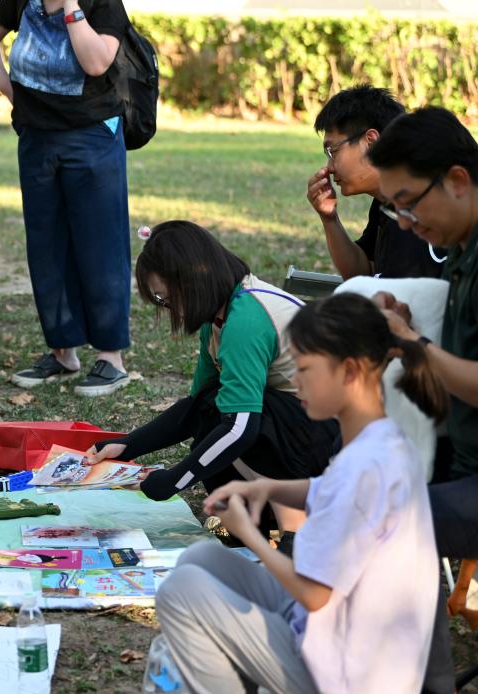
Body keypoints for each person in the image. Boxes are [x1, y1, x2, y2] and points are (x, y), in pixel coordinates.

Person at [155, 292, 444, 694]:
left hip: (347, 676)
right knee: (200, 558)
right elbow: (328, 490)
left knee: (181, 592)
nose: (294, 380)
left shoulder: (366, 466)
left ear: (348, 372)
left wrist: (252, 536)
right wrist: (266, 486)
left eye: (305, 369)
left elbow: (314, 595)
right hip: (335, 639)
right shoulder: (382, 439)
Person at [88, 222, 338, 548]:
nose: (171, 309)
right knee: (213, 406)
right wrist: (128, 444)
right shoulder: (220, 316)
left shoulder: (245, 319)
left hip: (329, 444)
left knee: (232, 417)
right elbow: (196, 408)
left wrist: (174, 480)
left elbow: (241, 428)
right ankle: (255, 521)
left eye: (167, 298)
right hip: (305, 429)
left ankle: (290, 518)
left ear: (193, 281)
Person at [366, 107, 478, 692]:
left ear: (457, 179)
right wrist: (408, 342)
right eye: (394, 209)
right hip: (462, 462)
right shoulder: (463, 251)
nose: (405, 223)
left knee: (395, 519)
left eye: (409, 203)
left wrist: (413, 346)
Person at [0, 0, 133, 397]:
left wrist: (72, 8)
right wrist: (14, 95)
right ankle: (63, 350)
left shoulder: (103, 4)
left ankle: (112, 358)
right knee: (46, 245)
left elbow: (97, 63)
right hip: (37, 137)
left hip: (92, 135)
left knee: (100, 244)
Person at [306, 85, 443, 280]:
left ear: (371, 141)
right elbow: (363, 272)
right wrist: (329, 219)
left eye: (332, 151)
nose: (329, 167)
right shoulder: (385, 200)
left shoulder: (418, 207)